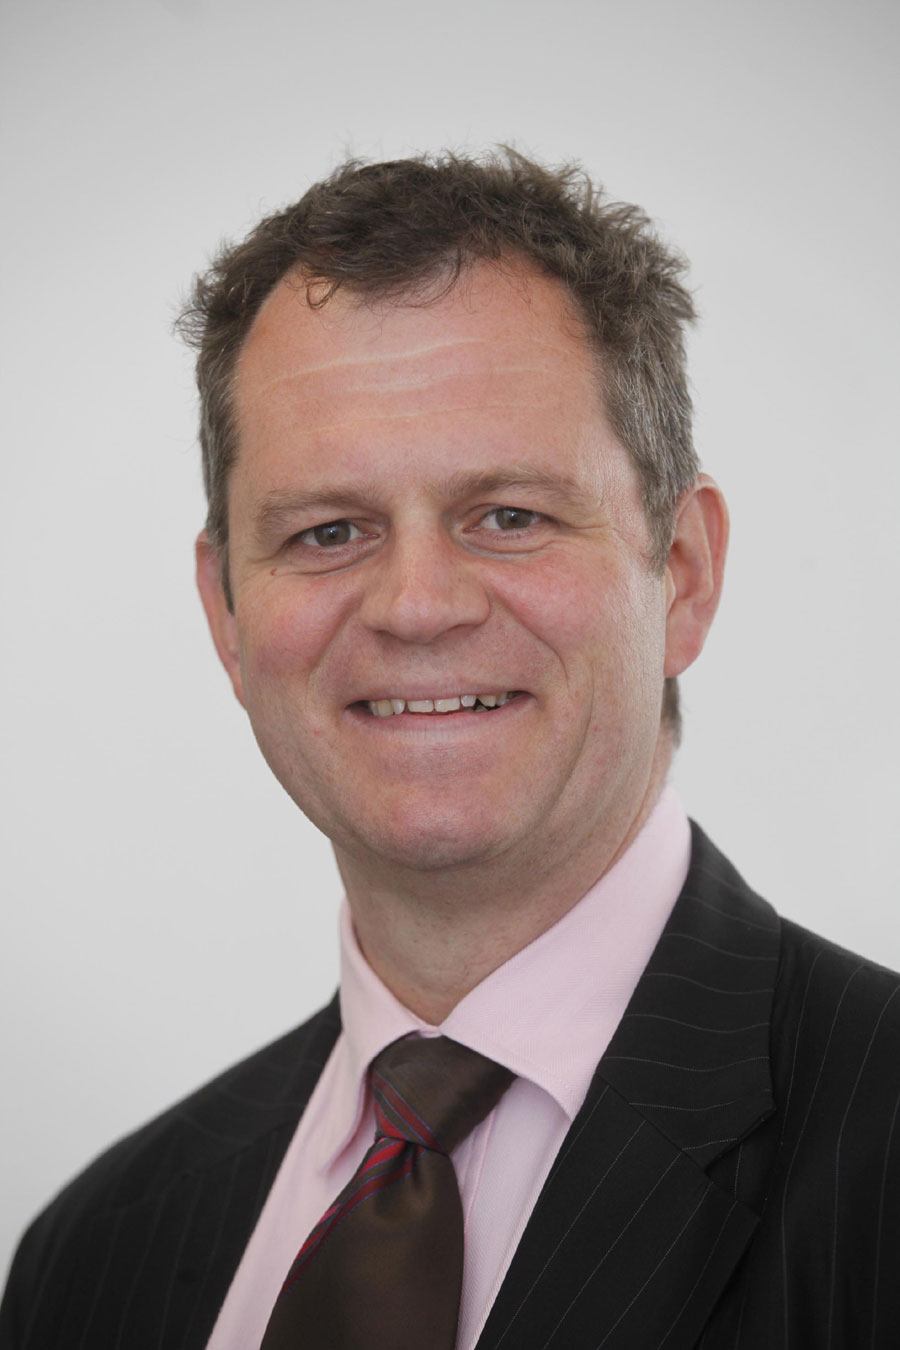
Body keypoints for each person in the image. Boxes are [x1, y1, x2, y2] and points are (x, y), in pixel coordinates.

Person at [2, 150, 899, 1350]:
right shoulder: (92, 1258)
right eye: (330, 532)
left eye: (509, 516)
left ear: (682, 573)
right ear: (226, 613)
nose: (416, 607)